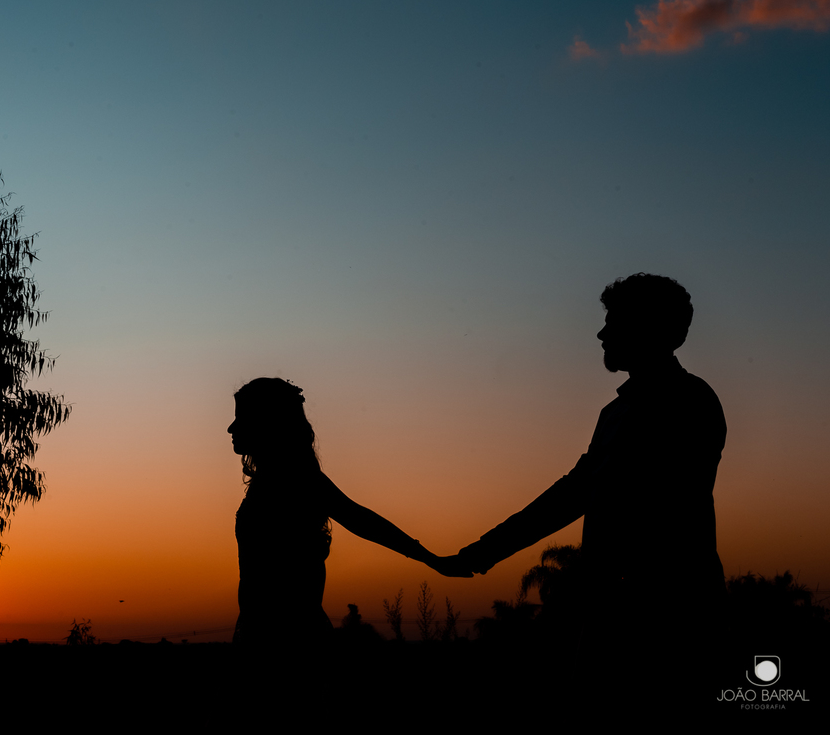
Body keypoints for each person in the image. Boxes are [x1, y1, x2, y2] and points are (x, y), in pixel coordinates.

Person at [454, 273, 727, 686]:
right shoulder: (615, 413)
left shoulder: (689, 402)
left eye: (614, 322)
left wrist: (482, 552)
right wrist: (483, 551)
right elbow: (574, 491)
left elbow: (626, 502)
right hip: (613, 610)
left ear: (649, 329)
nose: (601, 334)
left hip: (671, 615)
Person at [229, 377, 466, 648]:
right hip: (261, 632)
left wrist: (431, 559)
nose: (231, 428)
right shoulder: (270, 482)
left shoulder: (298, 480)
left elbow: (361, 520)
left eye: (241, 418)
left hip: (290, 635)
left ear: (268, 423)